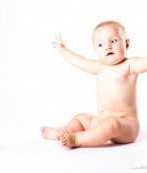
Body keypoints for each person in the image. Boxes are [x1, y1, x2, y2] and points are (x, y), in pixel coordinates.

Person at [41, 20, 147, 148]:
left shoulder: (130, 65)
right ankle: (63, 131)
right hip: (101, 121)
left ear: (127, 44)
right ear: (95, 50)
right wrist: (64, 51)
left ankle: (78, 138)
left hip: (126, 125)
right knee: (81, 118)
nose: (108, 46)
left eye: (113, 41)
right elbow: (81, 62)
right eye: (101, 44)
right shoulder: (99, 66)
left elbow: (144, 63)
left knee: (111, 123)